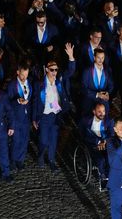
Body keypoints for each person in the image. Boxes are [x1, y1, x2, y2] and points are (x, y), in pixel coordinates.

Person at [32, 44, 75, 172]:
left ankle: (51, 160)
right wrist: (34, 118)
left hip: (56, 116)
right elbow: (35, 101)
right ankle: (40, 156)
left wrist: (71, 57)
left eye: (56, 70)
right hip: (44, 116)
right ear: (46, 70)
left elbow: (70, 71)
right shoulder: (40, 84)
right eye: (52, 70)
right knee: (43, 140)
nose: (54, 72)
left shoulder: (59, 81)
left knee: (53, 141)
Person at [79, 102, 114, 188]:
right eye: (99, 111)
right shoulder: (86, 121)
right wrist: (97, 142)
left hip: (105, 144)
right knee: (101, 160)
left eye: (103, 111)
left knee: (110, 158)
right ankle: (102, 176)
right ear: (94, 112)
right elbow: (82, 135)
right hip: (92, 145)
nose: (102, 114)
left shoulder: (109, 121)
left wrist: (104, 141)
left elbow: (112, 135)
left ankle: (109, 177)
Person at [7, 62, 33, 171]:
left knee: (24, 140)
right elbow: (7, 103)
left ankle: (20, 160)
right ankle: (12, 160)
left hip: (26, 117)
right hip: (16, 117)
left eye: (26, 75)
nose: (24, 77)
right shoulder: (12, 85)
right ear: (18, 72)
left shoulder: (29, 84)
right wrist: (18, 100)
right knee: (16, 140)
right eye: (22, 75)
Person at [81, 48, 114, 115]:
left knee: (104, 120)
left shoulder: (107, 70)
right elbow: (83, 88)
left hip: (103, 101)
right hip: (90, 99)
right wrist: (97, 94)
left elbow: (111, 85)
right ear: (94, 57)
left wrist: (107, 93)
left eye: (102, 58)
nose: (101, 60)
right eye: (98, 57)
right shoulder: (87, 71)